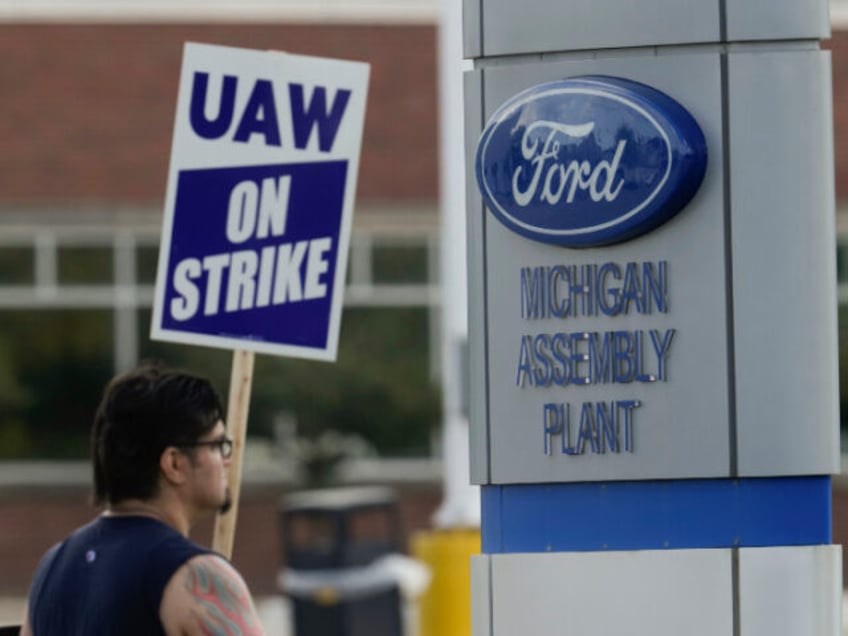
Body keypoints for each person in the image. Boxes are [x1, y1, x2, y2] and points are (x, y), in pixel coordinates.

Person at [20, 363, 266, 635]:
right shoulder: (196, 576)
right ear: (174, 463)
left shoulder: (52, 567)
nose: (228, 459)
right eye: (218, 446)